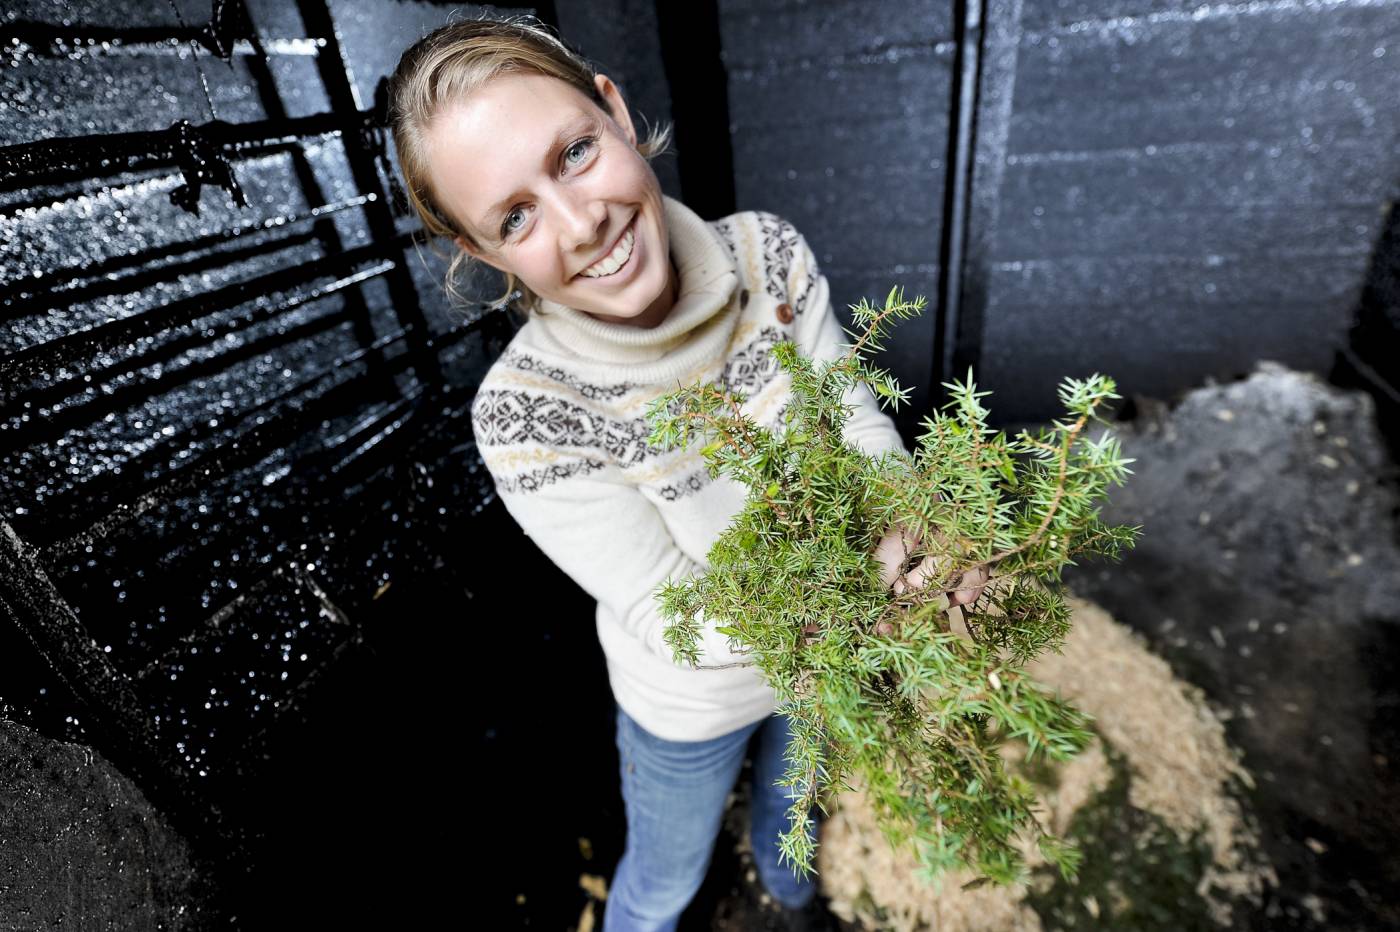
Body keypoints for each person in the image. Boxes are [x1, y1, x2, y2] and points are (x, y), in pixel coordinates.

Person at [386, 15, 988, 931]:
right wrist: (864, 598)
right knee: (663, 883)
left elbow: (852, 418)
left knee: (797, 810)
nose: (581, 223)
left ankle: (790, 897)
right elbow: (673, 609)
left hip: (830, 655)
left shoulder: (769, 257)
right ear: (483, 253)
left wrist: (921, 535)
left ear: (615, 111)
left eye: (575, 153)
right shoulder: (525, 415)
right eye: (515, 216)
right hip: (690, 704)